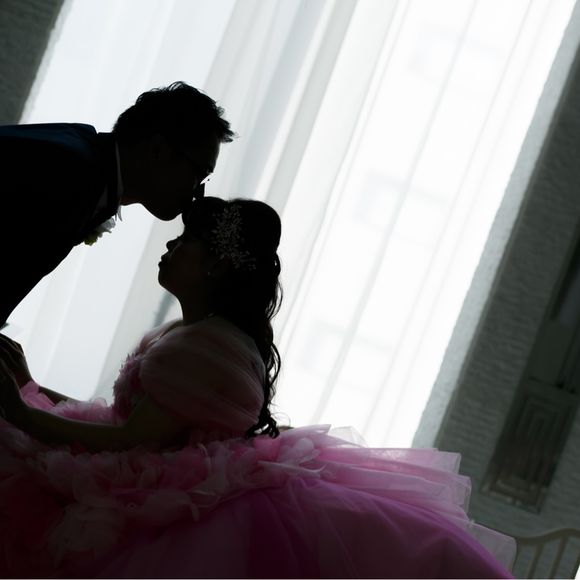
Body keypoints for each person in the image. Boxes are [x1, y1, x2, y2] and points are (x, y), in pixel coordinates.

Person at [0, 197, 516, 578]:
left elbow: (132, 439)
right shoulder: (186, 334)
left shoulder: (203, 348)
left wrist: (26, 412)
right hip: (157, 475)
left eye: (185, 243)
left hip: (174, 499)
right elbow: (127, 423)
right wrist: (33, 386)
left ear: (215, 265)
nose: (170, 247)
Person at [0, 81, 235, 326]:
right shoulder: (69, 173)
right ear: (158, 150)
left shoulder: (82, 158)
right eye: (199, 173)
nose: (198, 193)